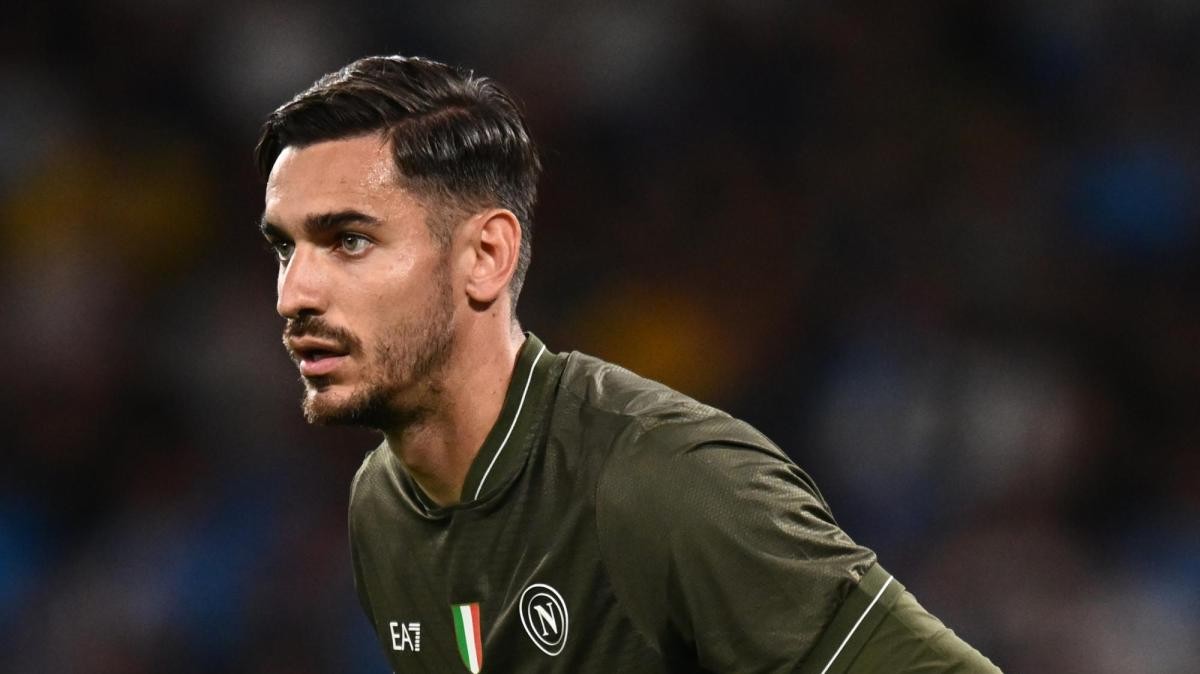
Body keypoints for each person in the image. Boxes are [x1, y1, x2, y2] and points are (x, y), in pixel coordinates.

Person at [255, 55, 1001, 673]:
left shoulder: (665, 482)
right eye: (286, 248)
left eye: (350, 241)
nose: (294, 294)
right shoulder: (381, 508)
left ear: (485, 256)